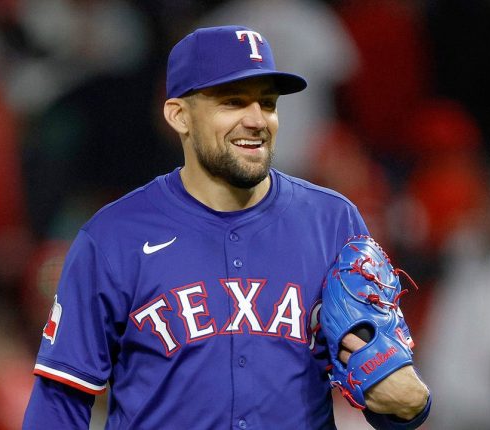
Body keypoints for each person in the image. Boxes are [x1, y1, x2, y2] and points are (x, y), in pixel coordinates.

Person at [22, 25, 430, 429]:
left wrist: (402, 400)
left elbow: (386, 394)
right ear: (179, 115)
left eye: (267, 103)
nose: (256, 120)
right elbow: (59, 401)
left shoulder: (332, 221)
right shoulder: (114, 236)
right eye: (233, 102)